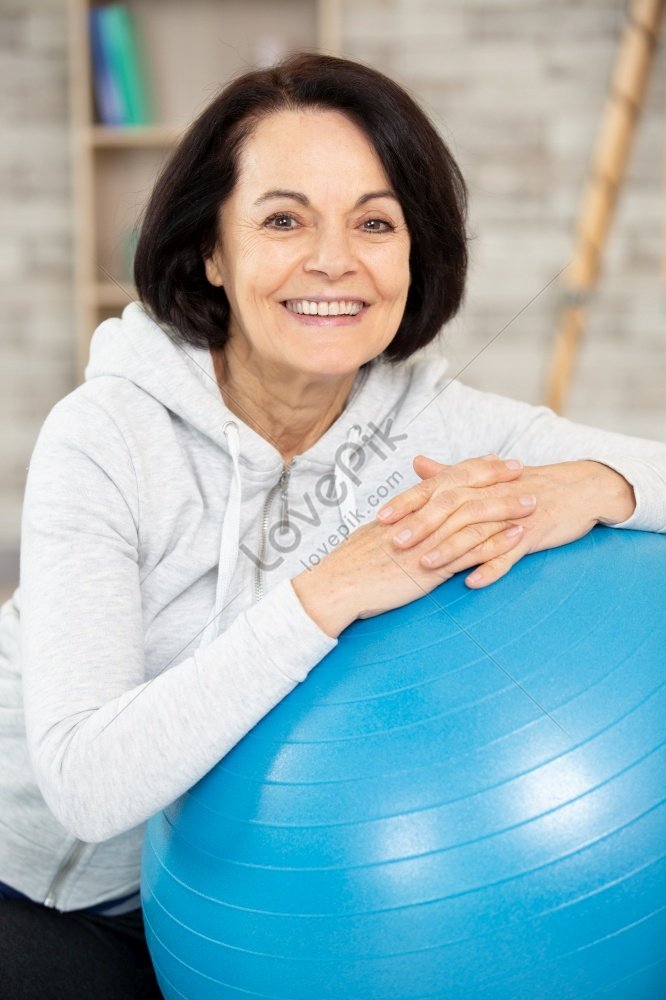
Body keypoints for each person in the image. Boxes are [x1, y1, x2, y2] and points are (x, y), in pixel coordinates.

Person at [1, 51, 664, 998]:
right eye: (283, 220)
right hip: (43, 894)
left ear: (411, 252)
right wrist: (333, 590)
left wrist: (592, 483)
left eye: (375, 222)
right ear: (212, 252)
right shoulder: (105, 435)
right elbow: (86, 784)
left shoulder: (431, 420)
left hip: (280, 902)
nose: (334, 261)